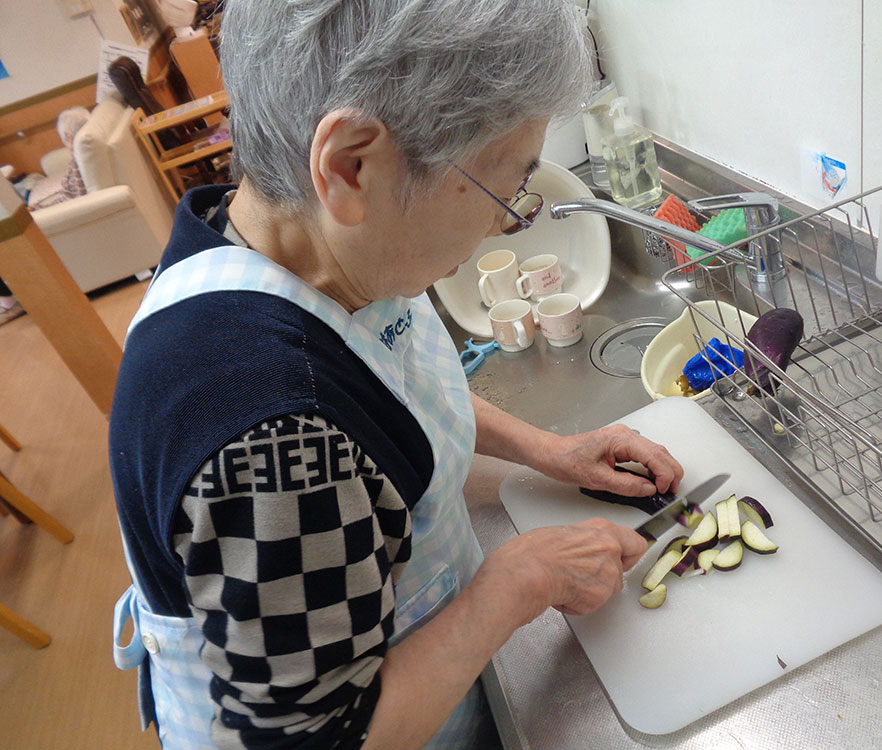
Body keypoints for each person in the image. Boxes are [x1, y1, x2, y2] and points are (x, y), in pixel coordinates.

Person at [108, 1, 684, 749]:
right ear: (351, 165)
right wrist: (516, 585)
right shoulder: (273, 439)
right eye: (503, 189)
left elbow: (385, 388)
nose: (504, 221)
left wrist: (548, 450)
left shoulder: (276, 245)